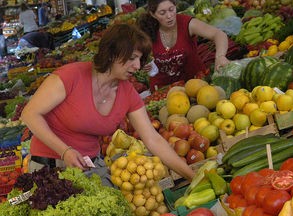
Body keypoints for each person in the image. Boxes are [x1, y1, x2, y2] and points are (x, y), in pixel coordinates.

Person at [20, 23, 195, 183]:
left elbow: (153, 139)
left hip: (89, 168)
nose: (137, 66)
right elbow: (29, 114)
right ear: (112, 54)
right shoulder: (71, 76)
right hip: (49, 168)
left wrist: (193, 176)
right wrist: (65, 151)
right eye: (132, 58)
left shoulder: (127, 93)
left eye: (140, 60)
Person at [137, 0, 230, 91]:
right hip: (163, 92)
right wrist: (142, 64)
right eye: (162, 13)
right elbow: (137, 56)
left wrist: (220, 56)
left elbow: (218, 34)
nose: (169, 16)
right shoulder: (147, 30)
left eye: (171, 9)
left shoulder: (187, 23)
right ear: (153, 14)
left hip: (196, 85)